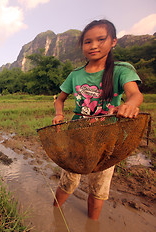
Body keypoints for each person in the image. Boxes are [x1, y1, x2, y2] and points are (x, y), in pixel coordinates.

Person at [52, 19, 143, 220]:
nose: (94, 46)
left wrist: (130, 105)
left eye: (101, 39)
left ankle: (92, 226)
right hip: (77, 136)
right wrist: (59, 114)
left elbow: (135, 94)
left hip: (106, 139)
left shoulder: (121, 69)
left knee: (99, 187)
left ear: (113, 41)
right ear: (82, 45)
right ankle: (55, 213)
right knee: (69, 180)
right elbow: (60, 100)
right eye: (88, 41)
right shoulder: (75, 75)